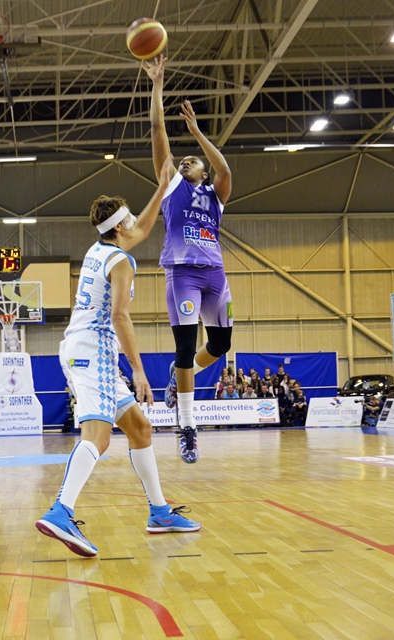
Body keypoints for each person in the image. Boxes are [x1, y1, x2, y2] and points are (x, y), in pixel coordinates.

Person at [36, 162, 201, 558]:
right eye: (130, 218)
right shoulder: (121, 262)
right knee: (99, 436)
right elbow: (119, 316)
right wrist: (139, 371)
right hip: (93, 350)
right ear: (121, 225)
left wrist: (162, 188)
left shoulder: (102, 249)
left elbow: (141, 228)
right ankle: (61, 511)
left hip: (85, 349)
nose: (136, 224)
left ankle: (159, 512)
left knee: (140, 428)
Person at [146, 55, 233, 464]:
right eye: (184, 160)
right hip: (182, 274)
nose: (186, 161)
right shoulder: (172, 186)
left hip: (215, 274)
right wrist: (157, 86)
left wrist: (198, 132)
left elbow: (225, 169)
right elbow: (158, 131)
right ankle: (187, 428)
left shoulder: (216, 194)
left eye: (193, 160)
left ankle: (177, 377)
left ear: (204, 171)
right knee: (184, 348)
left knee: (221, 344)